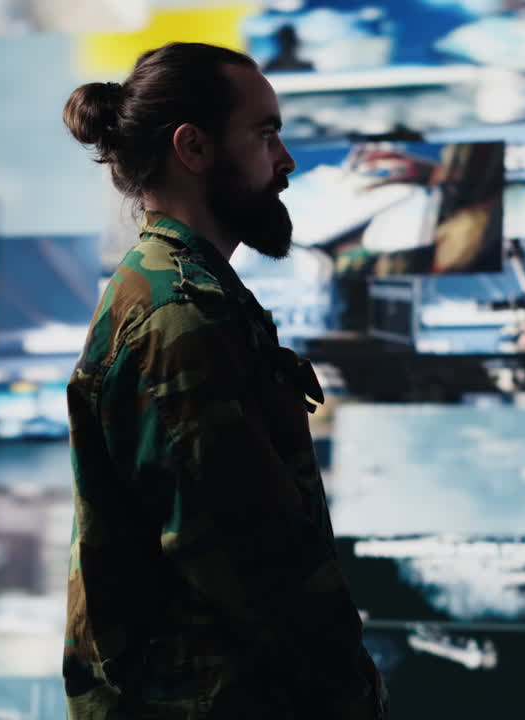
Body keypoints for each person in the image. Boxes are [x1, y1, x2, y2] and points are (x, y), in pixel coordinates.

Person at [60, 42, 388, 719]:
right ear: (194, 147)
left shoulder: (189, 292)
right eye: (265, 134)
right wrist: (348, 694)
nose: (286, 160)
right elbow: (248, 560)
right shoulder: (178, 313)